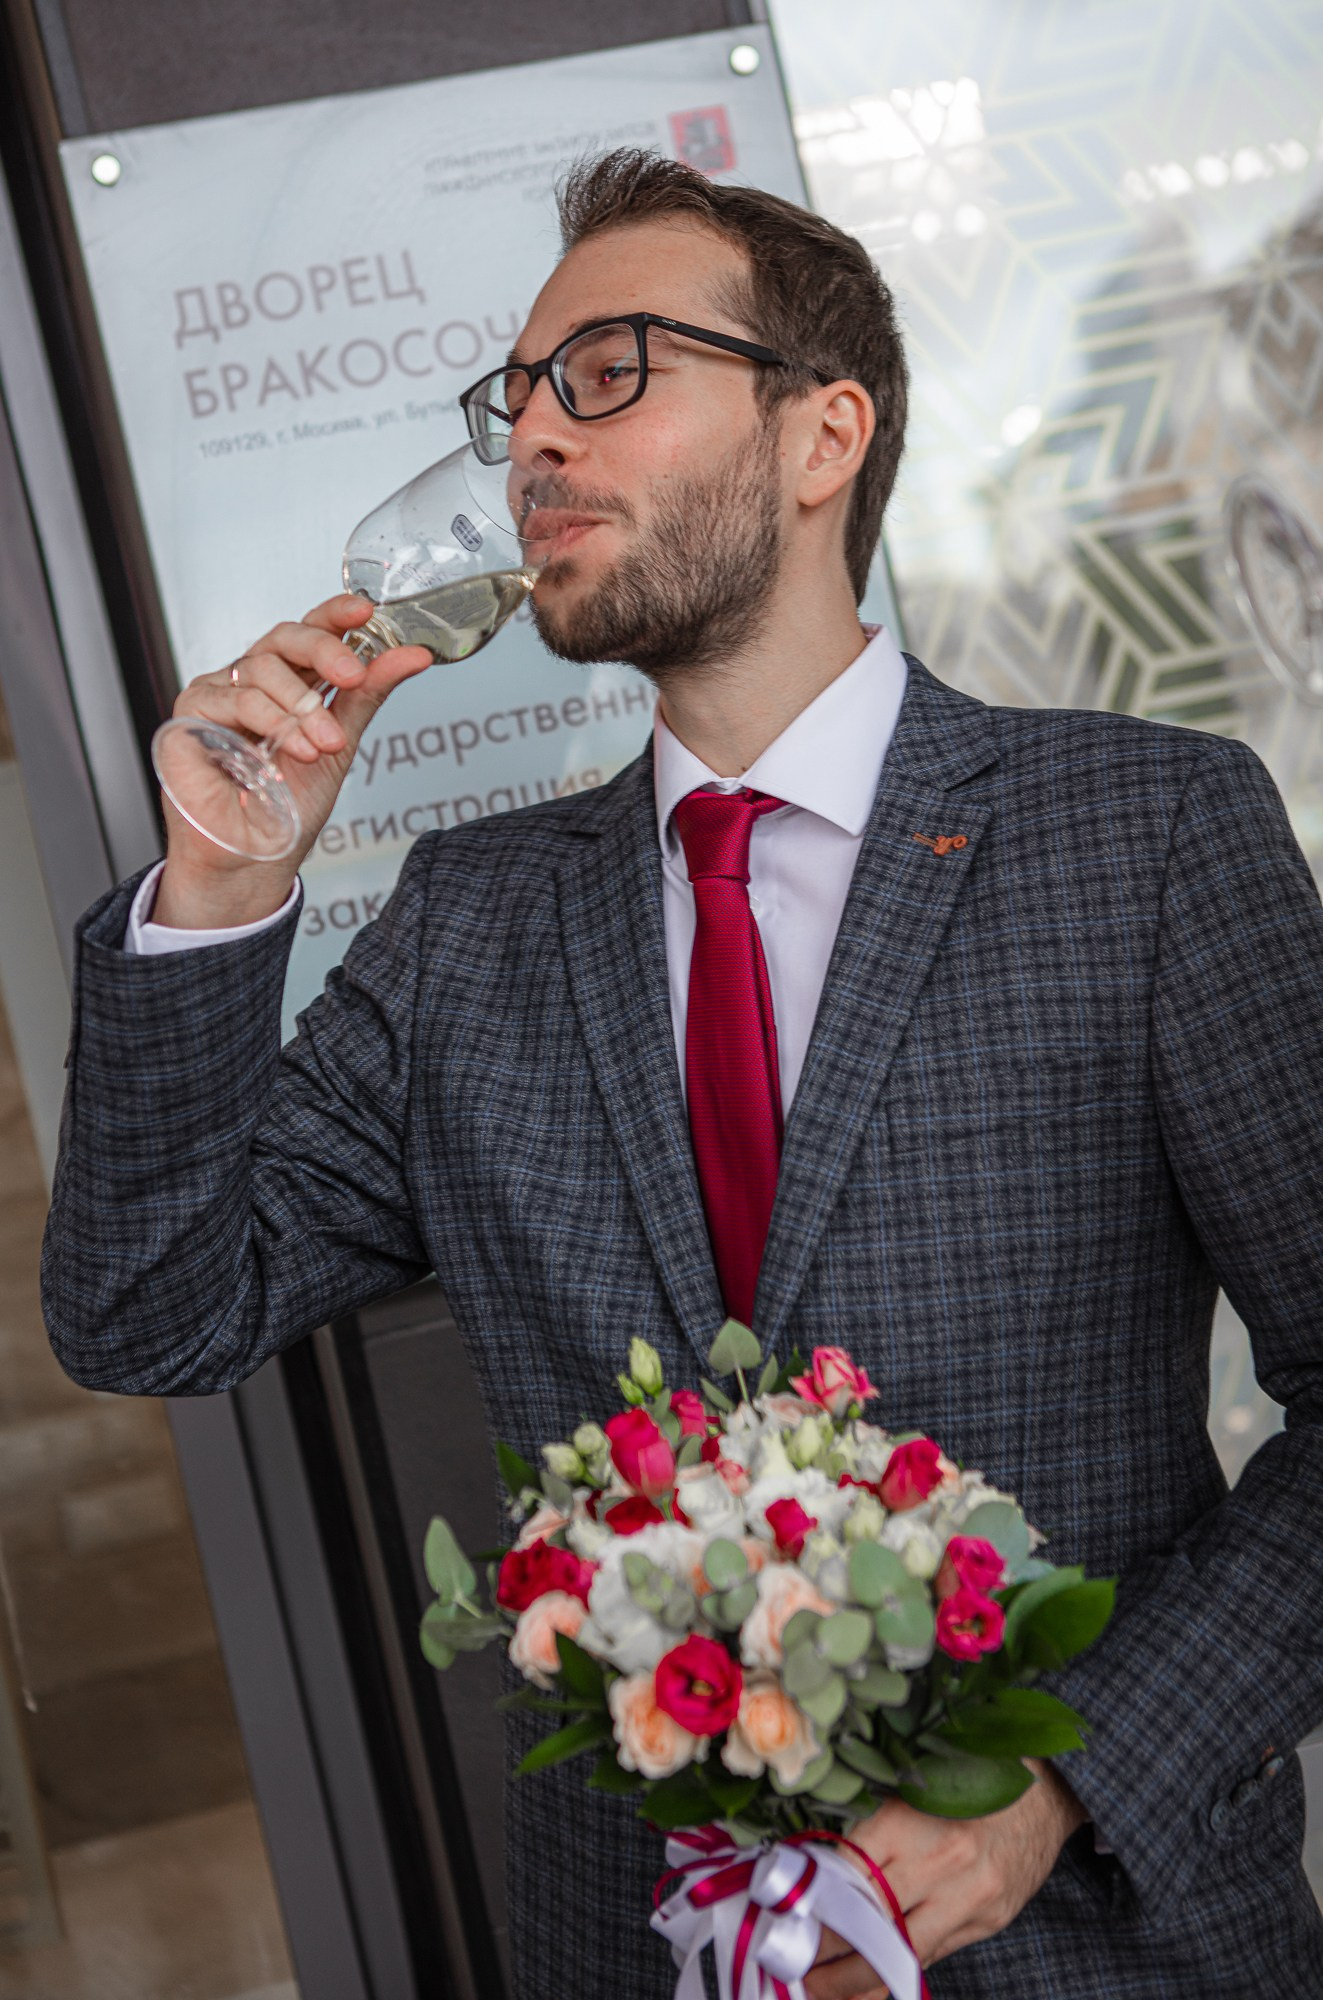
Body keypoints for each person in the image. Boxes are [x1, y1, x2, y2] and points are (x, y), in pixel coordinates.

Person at [42, 148, 1323, 1999]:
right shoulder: (472, 918)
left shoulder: (1144, 836)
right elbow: (151, 1311)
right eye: (518, 398)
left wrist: (1055, 1787)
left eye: (609, 372)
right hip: (639, 1950)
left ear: (823, 436)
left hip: (1107, 1950)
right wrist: (221, 891)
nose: (535, 442)